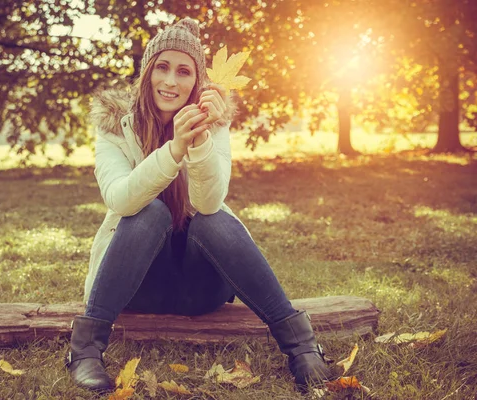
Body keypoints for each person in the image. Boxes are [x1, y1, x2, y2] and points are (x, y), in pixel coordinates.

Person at [66, 17, 332, 393]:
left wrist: (200, 142)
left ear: (197, 81)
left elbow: (209, 201)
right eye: (162, 67)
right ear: (146, 73)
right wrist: (173, 150)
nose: (171, 81)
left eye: (184, 71)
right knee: (149, 210)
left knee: (213, 220)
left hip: (200, 289)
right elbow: (120, 198)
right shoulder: (115, 125)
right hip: (137, 287)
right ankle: (86, 351)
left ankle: (302, 347)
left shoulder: (213, 121)